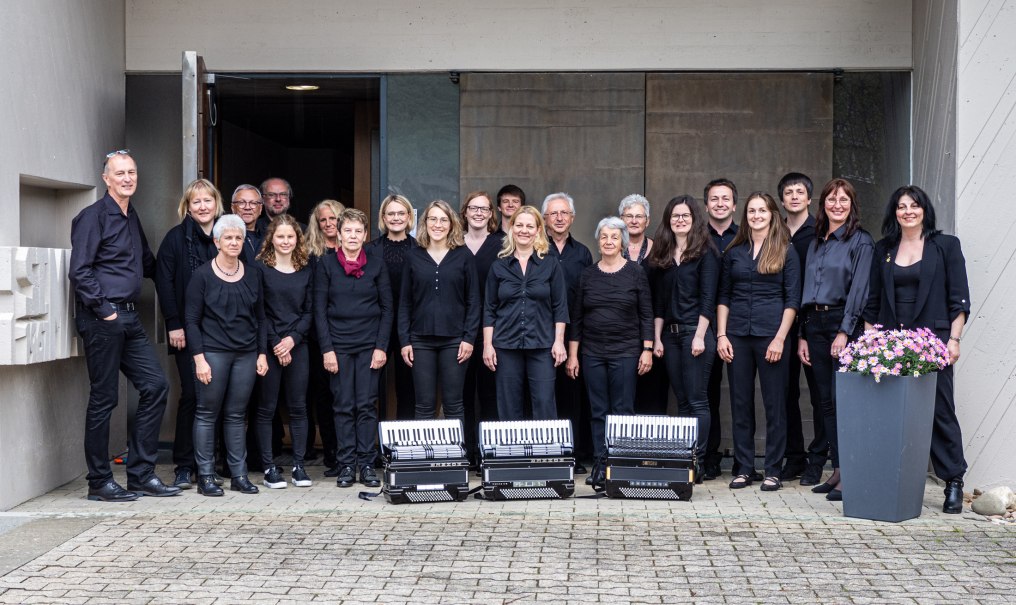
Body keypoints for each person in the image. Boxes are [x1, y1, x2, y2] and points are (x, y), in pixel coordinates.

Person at [70, 150, 180, 502]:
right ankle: (99, 482)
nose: (128, 178)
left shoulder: (130, 216)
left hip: (128, 318)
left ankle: (141, 474)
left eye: (132, 172)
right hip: (104, 319)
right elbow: (80, 271)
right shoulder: (92, 217)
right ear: (106, 178)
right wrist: (105, 311)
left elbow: (148, 263)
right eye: (120, 173)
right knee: (104, 399)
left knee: (155, 385)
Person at [863, 185, 970, 514]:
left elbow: (959, 299)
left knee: (939, 412)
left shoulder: (946, 246)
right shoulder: (883, 249)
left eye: (914, 205)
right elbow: (873, 301)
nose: (907, 211)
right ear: (893, 212)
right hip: (892, 345)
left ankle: (953, 481)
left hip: (932, 343)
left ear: (925, 210)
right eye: (900, 206)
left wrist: (954, 340)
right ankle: (886, 481)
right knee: (890, 414)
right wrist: (871, 344)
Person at [716, 192, 801, 492]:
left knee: (774, 404)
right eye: (752, 211)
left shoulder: (786, 251)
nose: (756, 215)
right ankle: (744, 467)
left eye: (762, 210)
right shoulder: (734, 252)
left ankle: (773, 470)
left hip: (771, 336)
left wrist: (780, 338)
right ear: (746, 216)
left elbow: (792, 301)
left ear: (772, 214)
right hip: (737, 334)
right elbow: (723, 296)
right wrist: (721, 334)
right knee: (740, 403)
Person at [797, 178, 874, 502]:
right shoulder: (816, 241)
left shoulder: (861, 241)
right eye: (832, 199)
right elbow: (805, 288)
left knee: (844, 401)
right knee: (825, 402)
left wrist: (844, 331)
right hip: (813, 323)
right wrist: (802, 333)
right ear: (823, 204)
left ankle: (850, 473)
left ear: (851, 204)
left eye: (843, 200)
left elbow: (859, 290)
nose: (837, 205)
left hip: (843, 323)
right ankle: (839, 470)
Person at [185, 214, 269, 496]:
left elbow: (260, 319)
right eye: (228, 238)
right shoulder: (202, 276)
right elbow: (192, 321)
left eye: (238, 238)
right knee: (207, 414)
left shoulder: (253, 274)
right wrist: (199, 359)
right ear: (217, 241)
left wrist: (261, 353)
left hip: (246, 355)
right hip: (213, 354)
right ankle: (206, 476)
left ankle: (239, 475)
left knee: (236, 415)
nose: (233, 242)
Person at [566, 217, 653, 485]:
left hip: (626, 352)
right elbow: (577, 318)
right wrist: (572, 355)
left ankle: (621, 467)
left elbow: (646, 314)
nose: (608, 241)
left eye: (614, 237)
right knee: (598, 411)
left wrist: (647, 349)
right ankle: (601, 468)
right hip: (592, 353)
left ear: (623, 242)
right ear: (598, 240)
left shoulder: (636, 272)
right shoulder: (588, 274)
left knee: (622, 410)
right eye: (604, 236)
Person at [314, 209, 393, 489]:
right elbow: (319, 310)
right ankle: (346, 464)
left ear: (365, 234)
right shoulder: (326, 265)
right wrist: (327, 349)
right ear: (338, 232)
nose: (353, 236)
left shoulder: (376, 264)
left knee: (366, 405)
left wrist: (381, 346)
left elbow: (387, 308)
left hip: (369, 345)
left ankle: (367, 464)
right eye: (348, 230)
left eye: (358, 231)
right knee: (343, 405)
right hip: (338, 346)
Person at [155, 178, 224, 489]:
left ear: (216, 203)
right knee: (193, 396)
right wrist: (173, 323)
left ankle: (210, 463)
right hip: (187, 330)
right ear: (187, 206)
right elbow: (164, 283)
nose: (202, 206)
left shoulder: (227, 235)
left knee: (217, 398)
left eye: (207, 200)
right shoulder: (175, 239)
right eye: (196, 202)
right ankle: (184, 465)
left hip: (222, 332)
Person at [648, 195, 721, 483]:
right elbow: (659, 304)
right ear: (668, 221)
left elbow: (708, 298)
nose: (680, 220)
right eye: (675, 216)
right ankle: (684, 460)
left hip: (695, 333)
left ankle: (698, 462)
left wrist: (701, 335)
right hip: (670, 335)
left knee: (698, 400)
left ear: (694, 220)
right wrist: (657, 338)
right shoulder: (662, 257)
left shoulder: (706, 253)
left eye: (685, 216)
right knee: (682, 402)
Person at [483, 206, 569, 420]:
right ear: (511, 229)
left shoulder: (550, 264)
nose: (524, 230)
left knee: (544, 403)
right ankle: (512, 453)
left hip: (542, 346)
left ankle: (546, 453)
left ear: (538, 230)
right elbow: (489, 308)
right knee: (508, 405)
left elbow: (560, 306)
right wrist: (487, 345)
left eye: (530, 226)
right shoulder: (498, 266)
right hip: (505, 345)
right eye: (519, 225)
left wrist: (559, 342)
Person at [399, 200, 480, 423]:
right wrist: (405, 340)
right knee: (424, 405)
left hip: (455, 340)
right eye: (433, 219)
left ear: (452, 224)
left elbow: (474, 301)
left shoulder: (464, 256)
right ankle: (425, 457)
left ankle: (456, 457)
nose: (438, 224)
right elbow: (405, 302)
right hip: (420, 340)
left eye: (443, 219)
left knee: (454, 404)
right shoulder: (413, 256)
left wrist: (469, 338)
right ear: (425, 223)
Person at [256, 214, 315, 489]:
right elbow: (259, 312)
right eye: (280, 236)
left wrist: (292, 340)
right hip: (269, 347)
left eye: (290, 236)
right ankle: (269, 467)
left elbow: (310, 311)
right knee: (267, 409)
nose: (285, 241)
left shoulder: (306, 267)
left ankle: (299, 466)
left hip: (298, 346)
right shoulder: (260, 268)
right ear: (272, 238)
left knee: (299, 408)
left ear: (297, 239)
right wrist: (276, 343)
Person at [777, 172, 825, 485]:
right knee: (785, 394)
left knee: (819, 395)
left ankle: (818, 459)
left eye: (800, 192)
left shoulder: (820, 232)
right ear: (782, 200)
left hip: (811, 324)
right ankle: (793, 457)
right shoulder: (773, 231)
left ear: (809, 198)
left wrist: (805, 330)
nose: (794, 196)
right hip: (780, 324)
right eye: (788, 193)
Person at [544, 192, 594, 473]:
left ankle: (572, 455)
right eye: (554, 213)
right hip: (542, 331)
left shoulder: (583, 252)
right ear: (545, 219)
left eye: (564, 213)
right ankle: (549, 453)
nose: (560, 218)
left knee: (572, 394)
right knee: (544, 394)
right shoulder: (538, 249)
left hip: (575, 333)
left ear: (572, 218)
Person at [460, 191, 505, 461]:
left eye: (484, 209)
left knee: (490, 393)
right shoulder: (454, 244)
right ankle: (466, 452)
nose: (478, 213)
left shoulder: (502, 243)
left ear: (491, 214)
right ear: (464, 212)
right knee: (462, 393)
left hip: (493, 330)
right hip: (460, 330)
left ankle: (489, 453)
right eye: (473, 208)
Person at [367, 194, 417, 421]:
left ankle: (402, 451)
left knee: (408, 390)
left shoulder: (421, 249)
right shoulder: (369, 250)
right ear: (383, 217)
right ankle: (372, 447)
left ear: (409, 217)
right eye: (391, 214)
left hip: (411, 327)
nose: (396, 218)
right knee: (369, 389)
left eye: (401, 213)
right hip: (376, 327)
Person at [304, 199, 345, 474]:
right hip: (317, 335)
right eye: (323, 220)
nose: (329, 224)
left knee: (347, 397)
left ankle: (349, 453)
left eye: (334, 219)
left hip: (349, 333)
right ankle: (331, 454)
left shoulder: (355, 251)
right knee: (324, 396)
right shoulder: (309, 253)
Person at [702, 178, 739, 480]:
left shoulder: (746, 236)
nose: (720, 203)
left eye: (725, 198)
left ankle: (743, 459)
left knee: (741, 395)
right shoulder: (696, 238)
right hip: (705, 325)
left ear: (734, 205)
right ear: (706, 205)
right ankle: (709, 456)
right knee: (708, 393)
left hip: (738, 325)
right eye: (714, 199)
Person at [231, 184, 265, 265]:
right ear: (233, 208)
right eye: (241, 202)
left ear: (260, 209)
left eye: (253, 203)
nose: (247, 207)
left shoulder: (269, 237)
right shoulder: (225, 237)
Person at [618, 194, 654, 263]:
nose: (634, 221)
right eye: (629, 216)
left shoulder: (659, 249)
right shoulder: (612, 247)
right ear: (621, 220)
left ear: (647, 221)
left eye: (639, 216)